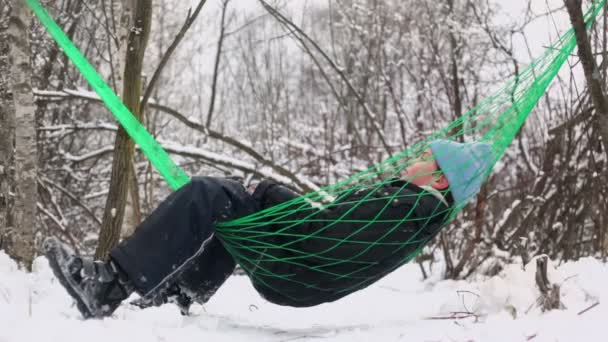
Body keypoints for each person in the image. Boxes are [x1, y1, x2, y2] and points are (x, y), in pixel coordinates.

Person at [44, 139, 494, 318]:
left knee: (209, 195)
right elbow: (333, 230)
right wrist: (272, 199)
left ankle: (109, 285)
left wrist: (275, 204)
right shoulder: (412, 210)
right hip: (301, 271)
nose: (413, 159)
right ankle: (177, 295)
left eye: (425, 158)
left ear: (438, 179)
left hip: (297, 271)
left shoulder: (403, 206)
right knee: (242, 206)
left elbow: (325, 239)